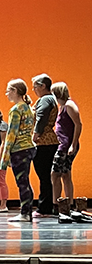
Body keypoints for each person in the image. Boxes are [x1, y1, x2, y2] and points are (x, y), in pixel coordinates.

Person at [0, 79, 36, 223]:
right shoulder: (27, 108)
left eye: (8, 90)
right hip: (29, 147)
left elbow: (11, 135)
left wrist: (5, 157)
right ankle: (27, 212)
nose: (6, 93)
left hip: (20, 150)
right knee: (25, 181)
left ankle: (25, 213)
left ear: (15, 91)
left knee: (22, 182)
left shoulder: (15, 110)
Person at [50, 82, 86, 223]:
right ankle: (66, 205)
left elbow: (78, 124)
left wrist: (73, 144)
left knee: (56, 173)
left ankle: (58, 204)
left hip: (65, 146)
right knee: (65, 174)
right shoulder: (63, 107)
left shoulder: (69, 106)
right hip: (63, 144)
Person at [31, 74, 59, 217]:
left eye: (35, 86)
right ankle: (49, 205)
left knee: (44, 176)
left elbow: (41, 118)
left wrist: (35, 135)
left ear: (43, 86)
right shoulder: (51, 99)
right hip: (50, 141)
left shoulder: (45, 99)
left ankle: (44, 208)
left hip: (44, 141)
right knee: (47, 176)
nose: (34, 90)